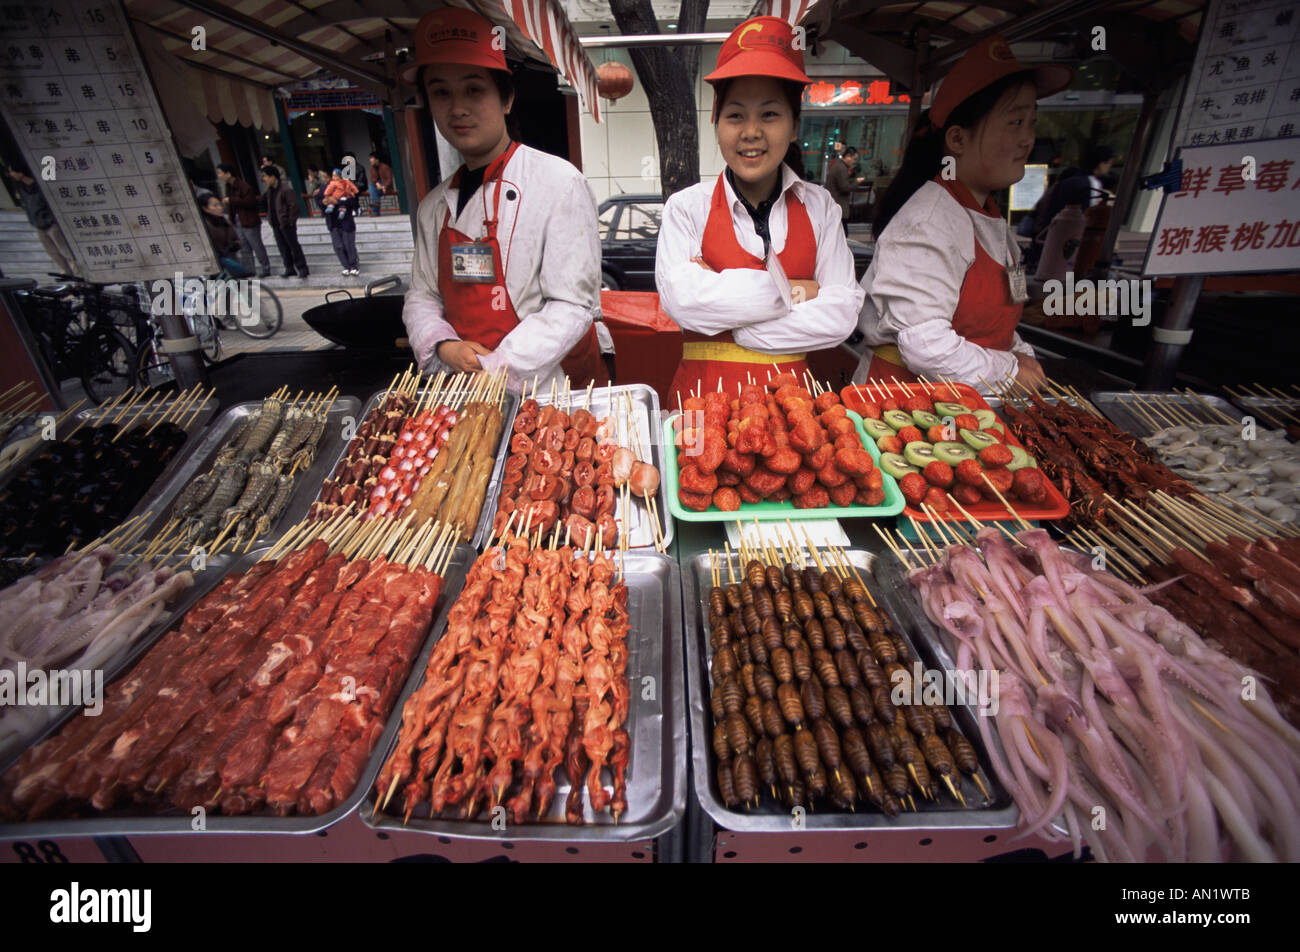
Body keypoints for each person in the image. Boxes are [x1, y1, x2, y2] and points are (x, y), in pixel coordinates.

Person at [655, 16, 863, 404]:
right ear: (717, 121)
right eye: (735, 115)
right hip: (700, 405)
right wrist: (796, 291)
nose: (751, 132)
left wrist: (740, 324)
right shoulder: (686, 208)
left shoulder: (821, 208)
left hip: (793, 409)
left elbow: (841, 314)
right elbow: (683, 301)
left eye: (769, 114)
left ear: (795, 125)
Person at [853, 34, 1073, 393]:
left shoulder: (989, 219)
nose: (1027, 139)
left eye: (1032, 122)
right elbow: (926, 346)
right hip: (905, 408)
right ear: (957, 139)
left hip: (963, 401)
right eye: (1015, 122)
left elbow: (992, 324)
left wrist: (1020, 353)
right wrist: (1009, 371)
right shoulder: (929, 221)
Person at [401, 8, 605, 391]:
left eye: (474, 89)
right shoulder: (433, 207)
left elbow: (572, 305)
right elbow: (422, 294)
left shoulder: (559, 184)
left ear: (507, 98)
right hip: (464, 386)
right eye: (441, 92)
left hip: (548, 390)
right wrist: (443, 345)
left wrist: (498, 366)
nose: (458, 108)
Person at [5, 160, 80, 278]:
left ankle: (78, 275)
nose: (11, 174)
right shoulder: (20, 187)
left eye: (12, 172)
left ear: (20, 173)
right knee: (53, 253)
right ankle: (66, 274)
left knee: (66, 251)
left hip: (51, 223)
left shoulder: (39, 185)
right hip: (38, 224)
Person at [217, 162, 271, 277]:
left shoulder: (243, 186)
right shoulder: (228, 186)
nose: (219, 176)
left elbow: (250, 202)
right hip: (237, 220)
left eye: (220, 173)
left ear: (228, 173)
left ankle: (265, 268)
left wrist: (231, 200)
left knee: (256, 245)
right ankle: (249, 270)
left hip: (249, 221)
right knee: (244, 247)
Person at [262, 165, 309, 279]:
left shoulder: (285, 189)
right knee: (282, 247)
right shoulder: (269, 192)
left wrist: (290, 221)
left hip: (286, 223)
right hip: (275, 223)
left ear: (273, 177)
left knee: (293, 246)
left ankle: (302, 268)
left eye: (265, 176)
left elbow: (294, 206)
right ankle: (289, 267)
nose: (264, 179)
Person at [199, 194, 249, 277]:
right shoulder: (204, 225)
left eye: (220, 205)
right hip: (215, 264)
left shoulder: (224, 221)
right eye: (215, 205)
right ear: (205, 208)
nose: (220, 208)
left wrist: (234, 245)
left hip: (230, 259)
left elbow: (236, 239)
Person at [324, 186, 361, 277]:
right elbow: (320, 201)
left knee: (348, 245)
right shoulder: (324, 189)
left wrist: (338, 202)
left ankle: (354, 266)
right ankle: (346, 266)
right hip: (333, 223)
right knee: (338, 246)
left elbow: (353, 203)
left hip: (346, 223)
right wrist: (324, 202)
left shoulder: (346, 189)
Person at [825, 146, 861, 235]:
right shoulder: (841, 168)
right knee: (843, 234)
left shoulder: (839, 166)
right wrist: (856, 182)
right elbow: (844, 187)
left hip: (835, 204)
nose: (854, 162)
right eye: (854, 159)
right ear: (848, 156)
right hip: (839, 204)